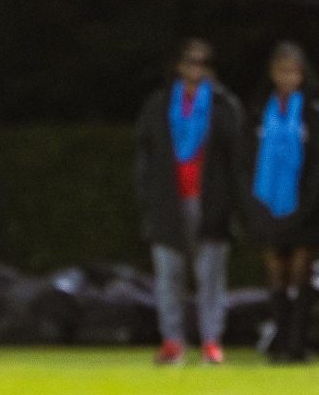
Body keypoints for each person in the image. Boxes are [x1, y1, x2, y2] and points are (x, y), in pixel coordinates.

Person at [134, 38, 244, 365]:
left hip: (210, 202)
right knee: (169, 275)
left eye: (202, 63)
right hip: (168, 201)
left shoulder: (225, 106)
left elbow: (237, 161)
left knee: (210, 276)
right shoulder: (160, 103)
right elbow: (144, 154)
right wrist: (148, 197)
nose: (195, 69)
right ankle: (173, 342)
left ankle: (211, 341)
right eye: (190, 62)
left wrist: (232, 205)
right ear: (179, 66)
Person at [246, 41, 319, 362]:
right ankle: (280, 340)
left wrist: (310, 202)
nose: (289, 77)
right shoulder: (261, 109)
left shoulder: (313, 109)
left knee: (302, 273)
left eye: (294, 71)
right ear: (273, 73)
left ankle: (296, 344)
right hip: (268, 204)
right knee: (276, 272)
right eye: (282, 70)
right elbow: (247, 157)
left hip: (307, 205)